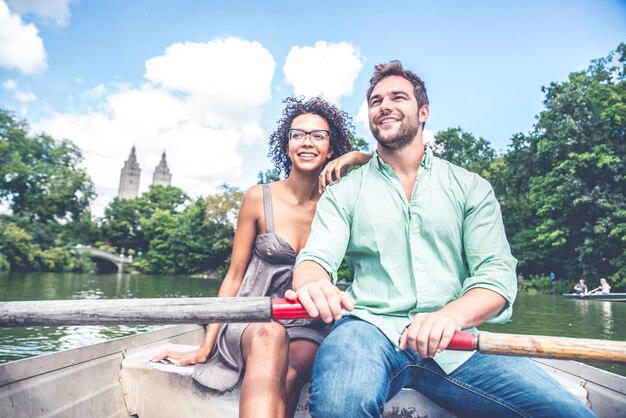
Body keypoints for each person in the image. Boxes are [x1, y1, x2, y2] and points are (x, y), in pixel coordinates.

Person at [287, 61, 595, 417]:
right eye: (375, 101)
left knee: (572, 415)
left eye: (397, 97)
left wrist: (449, 316)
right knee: (340, 405)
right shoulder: (343, 193)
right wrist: (312, 283)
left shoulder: (471, 188)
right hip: (367, 331)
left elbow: (496, 277)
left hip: (457, 342)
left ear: (423, 112)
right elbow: (314, 259)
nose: (384, 105)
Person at [151, 96, 370, 418]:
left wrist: (356, 156)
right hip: (253, 317)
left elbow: (392, 164)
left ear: (331, 148)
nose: (307, 142)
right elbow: (234, 276)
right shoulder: (258, 197)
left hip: (307, 322)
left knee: (292, 371)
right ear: (286, 144)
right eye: (298, 134)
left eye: (318, 136)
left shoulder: (339, 205)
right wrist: (206, 345)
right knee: (270, 334)